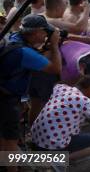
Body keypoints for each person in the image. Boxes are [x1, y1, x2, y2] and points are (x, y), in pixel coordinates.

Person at [0, 15, 62, 172]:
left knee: (4, 138)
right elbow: (55, 69)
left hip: (4, 94)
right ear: (35, 32)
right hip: (6, 100)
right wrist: (54, 45)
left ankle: (9, 164)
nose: (46, 35)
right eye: (44, 32)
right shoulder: (24, 52)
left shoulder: (14, 38)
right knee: (10, 141)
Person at [31, 75, 90, 160]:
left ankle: (49, 157)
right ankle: (57, 161)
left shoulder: (61, 88)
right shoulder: (83, 100)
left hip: (36, 141)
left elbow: (60, 83)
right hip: (52, 145)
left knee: (75, 128)